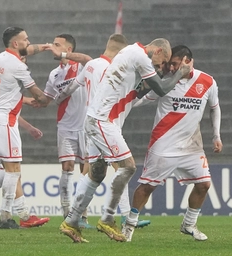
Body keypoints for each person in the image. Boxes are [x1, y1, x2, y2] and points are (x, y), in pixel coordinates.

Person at [58, 38, 192, 243]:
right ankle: (108, 218)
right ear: (157, 51)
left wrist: (162, 77)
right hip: (103, 121)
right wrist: (180, 73)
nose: (160, 67)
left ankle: (71, 222)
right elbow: (162, 89)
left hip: (97, 119)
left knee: (96, 173)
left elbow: (138, 91)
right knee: (128, 167)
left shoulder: (131, 54)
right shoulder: (140, 56)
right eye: (161, 62)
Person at [122, 45, 223, 242]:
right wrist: (121, 107)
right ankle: (129, 225)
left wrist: (216, 136)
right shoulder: (166, 82)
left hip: (191, 146)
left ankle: (189, 224)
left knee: (203, 184)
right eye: (169, 65)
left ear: (188, 61)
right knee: (147, 187)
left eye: (175, 64)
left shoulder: (207, 81)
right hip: (163, 144)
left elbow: (215, 108)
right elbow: (143, 100)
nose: (170, 69)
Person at [55, 34, 150, 230]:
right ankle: (121, 215)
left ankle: (76, 216)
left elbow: (73, 86)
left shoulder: (91, 65)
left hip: (89, 122)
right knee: (122, 167)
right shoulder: (111, 69)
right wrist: (148, 97)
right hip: (105, 123)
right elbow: (123, 98)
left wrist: (56, 98)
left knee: (92, 172)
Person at [0, 26, 51, 229]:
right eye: (25, 39)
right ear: (15, 43)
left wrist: (43, 47)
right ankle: (23, 215)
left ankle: (6, 218)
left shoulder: (0, 58)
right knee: (13, 170)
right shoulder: (18, 66)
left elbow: (27, 51)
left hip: (1, 119)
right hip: (5, 121)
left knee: (6, 172)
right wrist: (51, 98)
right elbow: (40, 95)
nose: (29, 42)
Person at [31, 34, 93, 228]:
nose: (52, 46)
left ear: (69, 49)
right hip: (65, 127)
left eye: (57, 45)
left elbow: (88, 59)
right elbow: (47, 99)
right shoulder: (54, 74)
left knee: (87, 171)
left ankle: (83, 215)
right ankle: (67, 214)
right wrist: (29, 98)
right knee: (67, 168)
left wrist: (65, 54)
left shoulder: (81, 66)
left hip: (85, 127)